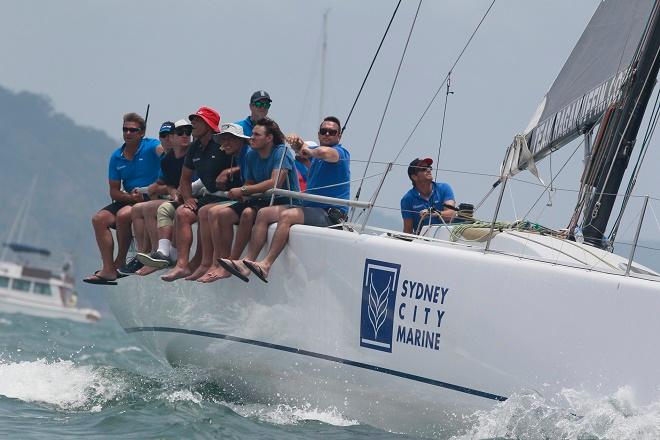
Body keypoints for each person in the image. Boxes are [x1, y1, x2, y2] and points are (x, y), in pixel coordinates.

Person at [234, 116, 349, 283]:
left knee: (287, 216)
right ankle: (247, 262)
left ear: (339, 136)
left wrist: (308, 150)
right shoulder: (315, 153)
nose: (327, 134)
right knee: (264, 214)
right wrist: (295, 141)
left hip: (330, 214)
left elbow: (324, 153)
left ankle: (266, 265)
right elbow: (301, 149)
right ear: (319, 134)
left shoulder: (339, 152)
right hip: (310, 209)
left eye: (332, 132)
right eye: (324, 131)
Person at [211, 118, 300, 282]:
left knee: (254, 213)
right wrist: (245, 189)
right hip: (260, 199)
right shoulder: (251, 154)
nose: (251, 137)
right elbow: (250, 181)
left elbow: (275, 182)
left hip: (283, 200)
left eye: (256, 135)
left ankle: (246, 261)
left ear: (269, 138)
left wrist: (244, 190)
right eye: (252, 134)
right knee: (224, 215)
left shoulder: (282, 152)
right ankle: (229, 260)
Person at [83, 112, 163, 285]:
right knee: (99, 219)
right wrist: (131, 197)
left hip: (152, 197)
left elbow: (162, 150)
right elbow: (114, 191)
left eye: (133, 130)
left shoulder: (151, 146)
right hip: (130, 198)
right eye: (125, 129)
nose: (128, 133)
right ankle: (108, 268)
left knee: (123, 215)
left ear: (141, 133)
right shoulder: (116, 156)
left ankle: (120, 262)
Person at [161, 106, 239, 282]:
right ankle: (182, 265)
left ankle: (206, 263)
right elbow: (185, 178)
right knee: (182, 212)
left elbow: (244, 160)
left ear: (209, 125)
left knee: (205, 213)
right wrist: (187, 198)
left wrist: (229, 171)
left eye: (198, 120)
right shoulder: (195, 147)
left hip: (228, 196)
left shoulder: (222, 143)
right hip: (211, 195)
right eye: (193, 120)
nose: (193, 124)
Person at [134, 119, 193, 275]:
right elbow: (167, 184)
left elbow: (196, 180)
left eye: (188, 132)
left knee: (158, 209)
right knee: (143, 208)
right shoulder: (167, 160)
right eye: (180, 133)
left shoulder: (193, 153)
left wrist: (181, 191)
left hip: (194, 198)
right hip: (177, 199)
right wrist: (174, 192)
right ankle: (153, 253)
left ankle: (164, 253)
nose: (185, 135)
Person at [194, 123, 250, 282]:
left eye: (230, 139)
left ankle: (222, 262)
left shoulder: (247, 154)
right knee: (205, 211)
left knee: (214, 212)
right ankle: (212, 262)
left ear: (241, 140)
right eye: (223, 139)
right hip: (243, 197)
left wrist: (231, 173)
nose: (225, 142)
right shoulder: (236, 155)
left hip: (254, 200)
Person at [400, 157, 456, 234]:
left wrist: (434, 214)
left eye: (429, 167)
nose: (428, 170)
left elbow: (451, 214)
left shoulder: (444, 188)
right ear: (414, 177)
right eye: (423, 169)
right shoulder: (407, 199)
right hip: (423, 240)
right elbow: (408, 230)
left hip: (445, 236)